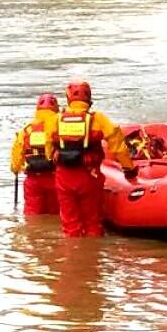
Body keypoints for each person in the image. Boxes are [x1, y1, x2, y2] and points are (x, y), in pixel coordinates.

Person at [49, 80, 137, 237]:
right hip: (89, 175)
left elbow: (49, 146)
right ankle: (93, 256)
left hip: (63, 176)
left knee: (70, 224)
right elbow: (117, 145)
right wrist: (128, 167)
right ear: (89, 100)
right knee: (93, 222)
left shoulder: (56, 119)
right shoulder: (99, 119)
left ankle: (72, 256)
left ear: (69, 99)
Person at [10, 93, 61, 215]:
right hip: (55, 177)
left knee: (32, 215)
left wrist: (15, 169)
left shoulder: (26, 130)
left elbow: (16, 157)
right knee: (56, 214)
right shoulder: (59, 127)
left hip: (33, 180)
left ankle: (32, 233)